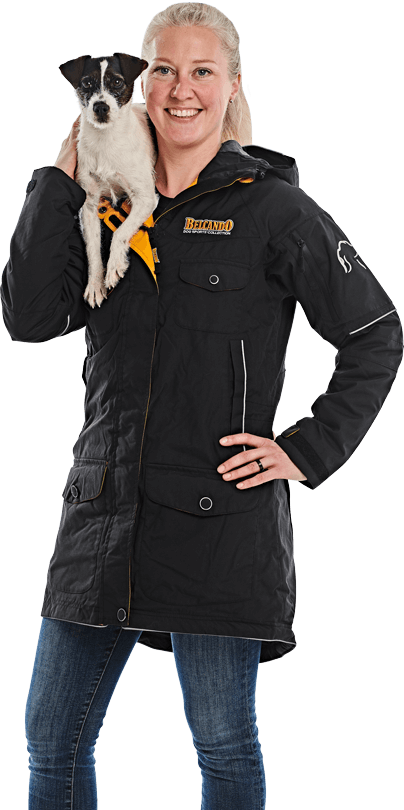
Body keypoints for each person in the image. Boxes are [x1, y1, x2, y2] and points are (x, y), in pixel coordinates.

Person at [1, 4, 401, 809]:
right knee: (51, 738)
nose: (181, 89)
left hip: (220, 522)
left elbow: (375, 334)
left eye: (202, 71)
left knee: (221, 742)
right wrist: (60, 177)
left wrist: (305, 449)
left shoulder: (273, 209)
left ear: (234, 86)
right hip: (101, 518)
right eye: (165, 70)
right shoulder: (108, 203)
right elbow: (29, 319)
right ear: (139, 82)